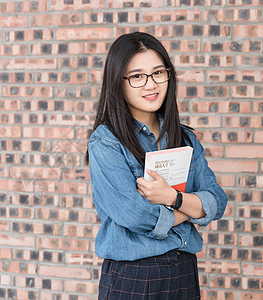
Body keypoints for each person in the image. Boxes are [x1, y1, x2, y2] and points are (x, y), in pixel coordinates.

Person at [86, 32, 228, 299]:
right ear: (119, 82)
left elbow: (217, 199)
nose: (150, 85)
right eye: (137, 76)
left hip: (184, 269)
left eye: (158, 73)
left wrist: (172, 198)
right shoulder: (106, 142)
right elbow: (135, 215)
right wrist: (189, 208)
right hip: (134, 275)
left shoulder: (184, 138)